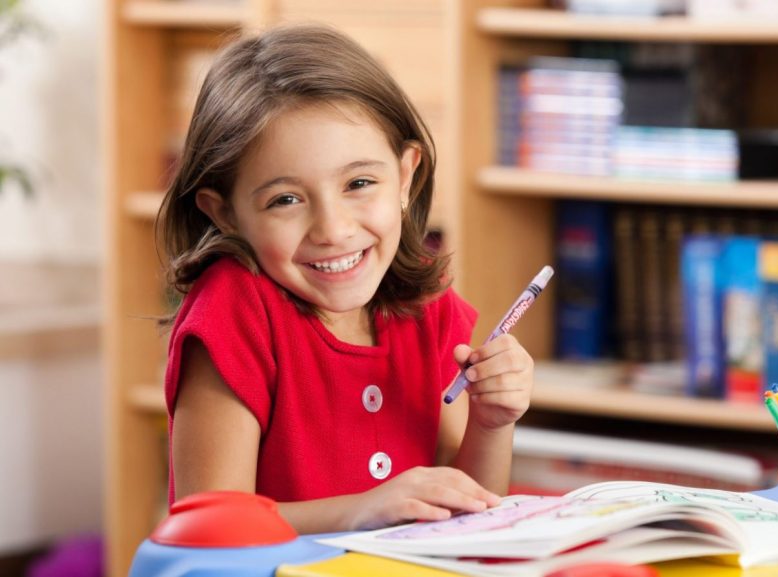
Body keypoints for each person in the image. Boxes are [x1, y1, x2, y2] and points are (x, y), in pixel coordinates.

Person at [157, 24, 534, 534]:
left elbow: (467, 509)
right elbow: (209, 525)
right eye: (285, 200)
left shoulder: (429, 307)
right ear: (224, 214)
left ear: (405, 176)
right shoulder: (233, 310)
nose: (333, 230)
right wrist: (361, 510)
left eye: (359, 183)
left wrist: (492, 424)